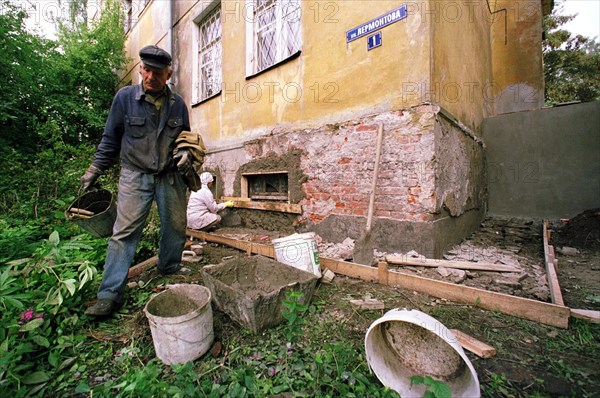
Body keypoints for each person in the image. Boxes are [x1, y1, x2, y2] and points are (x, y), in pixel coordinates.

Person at [80, 45, 193, 317]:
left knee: (176, 226)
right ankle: (109, 295)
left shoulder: (178, 103)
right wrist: (94, 169)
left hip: (169, 175)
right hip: (135, 173)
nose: (150, 77)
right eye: (146, 70)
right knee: (124, 233)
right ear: (141, 69)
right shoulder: (124, 98)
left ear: (169, 73)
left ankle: (168, 268)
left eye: (157, 72)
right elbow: (110, 138)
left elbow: (186, 138)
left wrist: (186, 152)